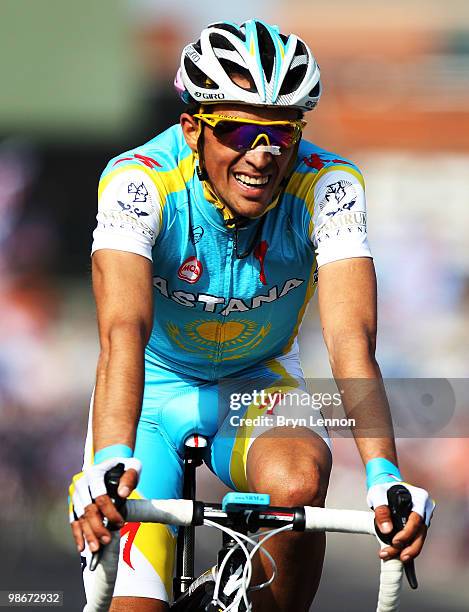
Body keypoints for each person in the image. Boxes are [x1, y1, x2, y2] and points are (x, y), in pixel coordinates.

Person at [69, 19, 434, 612]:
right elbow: (122, 334)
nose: (262, 155)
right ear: (192, 128)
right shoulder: (139, 183)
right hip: (152, 389)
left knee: (297, 485)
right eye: (238, 130)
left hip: (256, 384)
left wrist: (384, 474)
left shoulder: (329, 186)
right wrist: (110, 458)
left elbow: (350, 340)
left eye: (282, 134)